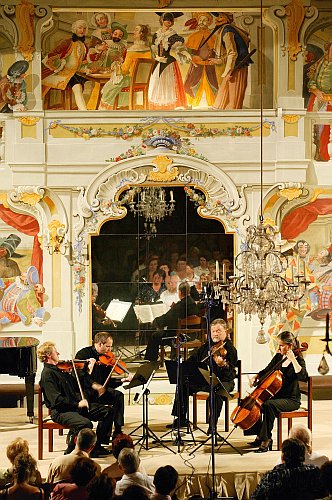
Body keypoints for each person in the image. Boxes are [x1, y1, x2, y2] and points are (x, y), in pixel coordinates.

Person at [37, 341, 113, 457]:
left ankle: (96, 446)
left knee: (108, 412)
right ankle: (71, 451)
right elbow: (56, 401)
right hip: (61, 411)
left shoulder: (59, 370)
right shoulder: (48, 375)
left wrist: (88, 371)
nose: (58, 353)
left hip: (73, 407)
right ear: (48, 355)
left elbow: (77, 385)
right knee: (85, 423)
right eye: (55, 352)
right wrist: (77, 404)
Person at [167, 318, 237, 429]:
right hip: (206, 380)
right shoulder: (206, 346)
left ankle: (212, 426)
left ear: (225, 331)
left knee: (217, 393)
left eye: (218, 331)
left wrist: (222, 365)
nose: (215, 334)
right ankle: (181, 419)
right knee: (183, 384)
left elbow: (230, 374)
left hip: (223, 381)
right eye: (213, 331)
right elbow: (194, 359)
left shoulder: (230, 349)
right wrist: (183, 365)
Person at [246, 330, 308, 453]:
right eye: (278, 344)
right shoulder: (279, 357)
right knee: (256, 404)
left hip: (291, 400)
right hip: (277, 397)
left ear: (290, 346)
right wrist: (257, 376)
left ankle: (266, 440)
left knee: (268, 405)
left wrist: (293, 360)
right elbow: (267, 370)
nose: (278, 348)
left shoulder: (298, 361)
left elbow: (303, 376)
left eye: (281, 345)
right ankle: (259, 435)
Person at [75, 332, 127, 440]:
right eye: (108, 346)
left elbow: (107, 383)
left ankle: (117, 431)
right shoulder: (83, 354)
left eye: (110, 346)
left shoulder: (107, 359)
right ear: (99, 344)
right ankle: (80, 435)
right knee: (107, 412)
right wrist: (94, 382)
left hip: (100, 392)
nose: (110, 350)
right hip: (86, 393)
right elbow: (79, 377)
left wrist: (122, 380)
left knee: (119, 396)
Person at [99, 24, 151, 110]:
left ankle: (104, 109)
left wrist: (116, 67)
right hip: (143, 82)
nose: (133, 32)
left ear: (141, 33)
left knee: (110, 85)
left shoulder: (132, 50)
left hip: (130, 80)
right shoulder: (148, 50)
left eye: (136, 30)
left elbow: (124, 70)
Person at [251, 438, 323, 500]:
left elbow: (256, 497)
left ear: (283, 456)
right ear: (303, 456)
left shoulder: (272, 476)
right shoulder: (313, 472)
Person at [144, 281, 199, 362]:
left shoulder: (180, 305)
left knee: (154, 336)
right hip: (193, 335)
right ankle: (173, 355)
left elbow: (167, 319)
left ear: (180, 292)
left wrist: (155, 321)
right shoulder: (193, 303)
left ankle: (151, 361)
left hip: (180, 337)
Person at [209, 12, 253, 109]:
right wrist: (219, 61)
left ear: (227, 19)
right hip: (234, 66)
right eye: (217, 17)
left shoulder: (227, 30)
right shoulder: (226, 29)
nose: (217, 19)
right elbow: (232, 52)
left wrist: (229, 71)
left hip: (237, 68)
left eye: (220, 17)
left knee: (233, 99)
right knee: (223, 97)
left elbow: (233, 53)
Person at [42, 19, 88, 110]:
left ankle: (83, 110)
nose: (82, 30)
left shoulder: (84, 46)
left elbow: (82, 62)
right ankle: (84, 112)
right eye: (80, 28)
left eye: (84, 28)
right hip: (62, 73)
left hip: (75, 73)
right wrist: (60, 64)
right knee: (77, 87)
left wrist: (87, 69)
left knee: (87, 84)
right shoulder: (67, 42)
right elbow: (52, 55)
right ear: (75, 29)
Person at [148, 12, 191, 110]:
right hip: (158, 62)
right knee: (156, 83)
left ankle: (169, 107)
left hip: (169, 63)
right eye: (167, 19)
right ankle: (158, 108)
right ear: (162, 20)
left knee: (168, 85)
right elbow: (153, 50)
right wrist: (157, 57)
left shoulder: (173, 35)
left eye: (171, 19)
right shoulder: (156, 34)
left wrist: (185, 53)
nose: (169, 21)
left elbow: (179, 49)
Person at [184, 12, 218, 108]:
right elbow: (186, 52)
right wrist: (191, 57)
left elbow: (218, 52)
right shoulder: (192, 36)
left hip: (209, 65)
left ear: (209, 22)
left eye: (204, 20)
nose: (201, 22)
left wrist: (215, 59)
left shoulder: (213, 37)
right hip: (196, 65)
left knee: (212, 85)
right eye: (200, 20)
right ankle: (190, 104)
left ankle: (213, 105)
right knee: (192, 84)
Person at [307, 40, 332, 161]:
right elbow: (312, 80)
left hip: (330, 100)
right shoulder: (321, 62)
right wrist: (316, 91)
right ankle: (318, 153)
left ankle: (324, 154)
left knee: (325, 129)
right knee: (316, 127)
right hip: (317, 98)